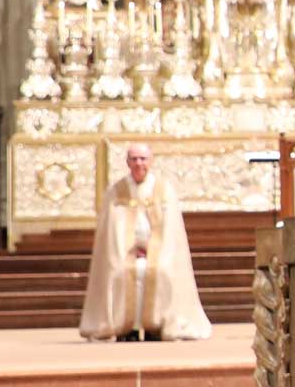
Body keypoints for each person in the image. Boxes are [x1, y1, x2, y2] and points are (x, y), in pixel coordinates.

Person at [79, 143, 211, 342]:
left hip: (157, 251)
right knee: (120, 271)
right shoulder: (116, 192)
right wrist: (129, 247)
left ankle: (157, 326)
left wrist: (153, 248)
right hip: (125, 252)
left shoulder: (163, 190)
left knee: (161, 270)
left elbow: (171, 230)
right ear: (127, 162)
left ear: (151, 161)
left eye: (142, 159)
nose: (138, 163)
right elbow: (110, 232)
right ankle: (125, 327)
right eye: (134, 159)